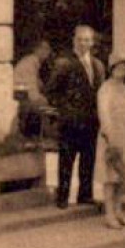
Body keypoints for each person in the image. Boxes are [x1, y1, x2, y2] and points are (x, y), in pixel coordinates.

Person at [44, 24, 101, 209]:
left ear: (92, 42)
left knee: (88, 158)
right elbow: (51, 90)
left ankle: (85, 194)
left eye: (87, 39)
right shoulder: (64, 63)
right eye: (80, 39)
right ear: (74, 40)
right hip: (71, 120)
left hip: (91, 120)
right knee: (67, 159)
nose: (84, 43)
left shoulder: (98, 65)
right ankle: (63, 197)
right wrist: (65, 109)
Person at [94, 58, 125, 229]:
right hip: (111, 136)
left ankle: (119, 211)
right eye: (119, 66)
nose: (122, 69)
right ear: (112, 68)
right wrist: (109, 135)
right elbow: (103, 112)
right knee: (110, 177)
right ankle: (109, 214)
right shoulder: (106, 88)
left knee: (123, 176)